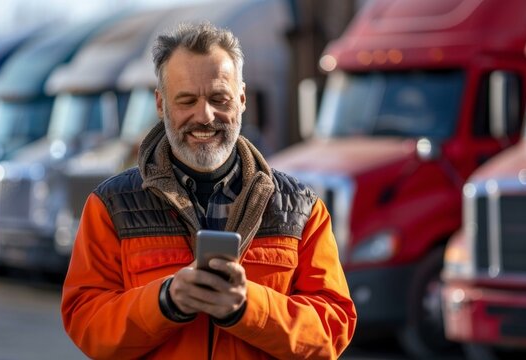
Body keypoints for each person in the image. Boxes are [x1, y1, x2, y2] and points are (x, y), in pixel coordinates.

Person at [61, 22, 357, 359]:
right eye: (186, 100)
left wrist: (248, 307)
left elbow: (333, 328)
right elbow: (86, 322)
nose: (204, 115)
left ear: (242, 99)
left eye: (219, 98)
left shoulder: (301, 209)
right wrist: (165, 301)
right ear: (161, 104)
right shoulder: (111, 206)